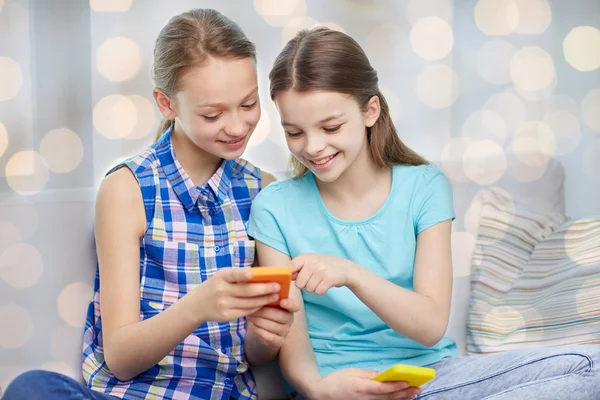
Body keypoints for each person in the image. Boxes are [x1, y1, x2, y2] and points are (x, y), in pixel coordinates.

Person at [247, 27, 600, 400]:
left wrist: (350, 274)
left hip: (435, 379)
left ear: (370, 110)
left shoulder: (424, 187)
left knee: (589, 367)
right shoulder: (275, 206)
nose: (313, 147)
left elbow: (430, 325)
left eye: (330, 127)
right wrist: (316, 389)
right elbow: (290, 333)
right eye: (294, 132)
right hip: (339, 389)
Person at [4, 9, 298, 400]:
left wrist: (263, 338)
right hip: (127, 394)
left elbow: (252, 358)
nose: (237, 126)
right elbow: (121, 357)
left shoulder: (263, 190)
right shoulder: (128, 189)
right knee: (32, 388)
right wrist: (199, 306)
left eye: (248, 104)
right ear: (166, 104)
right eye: (213, 113)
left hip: (218, 394)